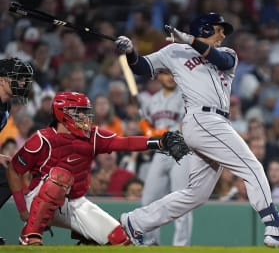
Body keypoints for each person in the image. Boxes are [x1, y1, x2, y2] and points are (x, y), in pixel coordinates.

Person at [115, 12, 279, 247]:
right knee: (251, 166)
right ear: (206, 30)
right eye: (219, 29)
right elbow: (143, 67)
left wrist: (189, 40)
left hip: (217, 122)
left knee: (196, 194)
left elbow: (221, 61)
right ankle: (275, 226)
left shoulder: (228, 54)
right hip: (201, 119)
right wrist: (130, 52)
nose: (223, 35)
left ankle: (136, 221)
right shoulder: (173, 52)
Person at [6, 91, 184, 246]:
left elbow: (125, 142)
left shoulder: (93, 135)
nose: (85, 117)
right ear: (62, 114)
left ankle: (88, 239)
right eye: (79, 112)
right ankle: (30, 235)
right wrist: (22, 209)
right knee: (60, 177)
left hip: (73, 202)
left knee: (119, 240)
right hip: (39, 196)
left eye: (85, 112)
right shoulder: (42, 138)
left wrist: (159, 142)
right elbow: (13, 170)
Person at [138, 68, 192, 246]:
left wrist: (158, 132)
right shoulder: (151, 102)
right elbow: (148, 132)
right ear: (157, 76)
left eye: (172, 73)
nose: (170, 77)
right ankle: (151, 243)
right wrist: (146, 129)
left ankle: (181, 246)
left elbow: (184, 126)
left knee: (181, 201)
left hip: (181, 151)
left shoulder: (186, 95)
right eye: (165, 73)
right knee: (148, 199)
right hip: (160, 153)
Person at [0, 58, 33, 245]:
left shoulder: (6, 105)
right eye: (17, 78)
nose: (22, 83)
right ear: (1, 80)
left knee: (8, 174)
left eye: (23, 79)